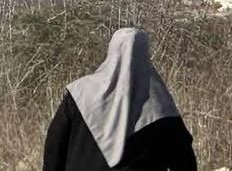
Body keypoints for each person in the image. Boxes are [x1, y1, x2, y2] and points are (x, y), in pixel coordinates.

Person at [43, 28, 196, 171]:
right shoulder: (160, 105)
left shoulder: (79, 93)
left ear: (111, 51)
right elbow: (184, 161)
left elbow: (54, 147)